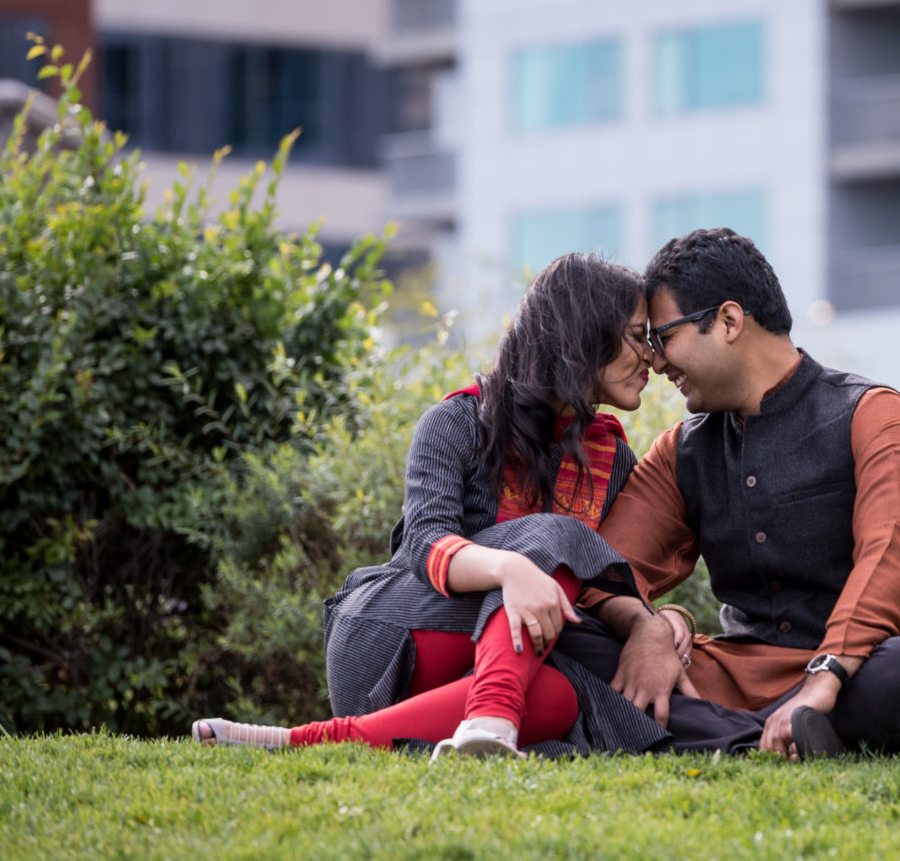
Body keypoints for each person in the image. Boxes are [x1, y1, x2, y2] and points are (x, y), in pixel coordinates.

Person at [191, 252, 760, 758]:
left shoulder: (611, 457)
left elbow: (595, 582)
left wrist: (656, 624)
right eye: (638, 337)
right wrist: (511, 567)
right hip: (397, 638)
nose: (652, 359)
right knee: (553, 538)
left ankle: (305, 742)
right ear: (583, 334)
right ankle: (490, 714)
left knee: (564, 698)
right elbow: (424, 544)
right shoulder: (459, 421)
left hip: (509, 662)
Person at [583, 228, 900, 759]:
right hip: (738, 680)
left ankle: (718, 736)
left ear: (728, 321)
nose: (656, 364)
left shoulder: (873, 414)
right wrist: (655, 625)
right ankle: (762, 743)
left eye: (664, 340)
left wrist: (826, 676)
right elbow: (604, 570)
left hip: (860, 676)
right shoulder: (682, 451)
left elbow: (891, 552)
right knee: (580, 643)